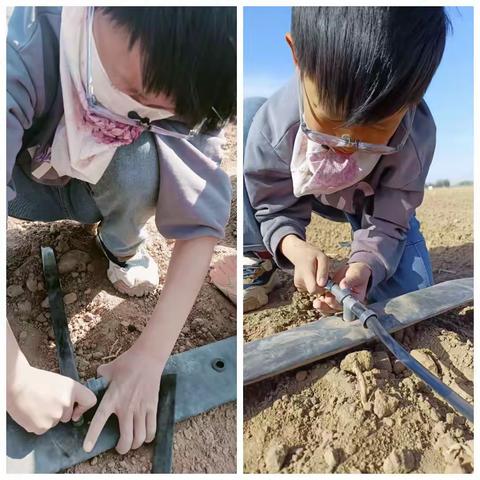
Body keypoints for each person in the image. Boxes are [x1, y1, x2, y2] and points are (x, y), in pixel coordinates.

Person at [6, 6, 236, 454]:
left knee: (146, 160)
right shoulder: (24, 40)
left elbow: (199, 223)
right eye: (132, 91)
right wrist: (13, 379)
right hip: (25, 186)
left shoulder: (198, 81)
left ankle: (121, 248)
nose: (142, 112)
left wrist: (151, 358)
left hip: (92, 188)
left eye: (163, 114)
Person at [243, 6, 449, 312]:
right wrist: (291, 244)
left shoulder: (415, 136)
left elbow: (390, 219)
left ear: (415, 95)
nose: (347, 146)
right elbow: (271, 204)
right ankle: (260, 257)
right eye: (331, 118)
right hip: (304, 191)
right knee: (249, 113)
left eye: (376, 127)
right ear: (297, 57)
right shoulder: (274, 125)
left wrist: (365, 266)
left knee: (410, 296)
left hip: (370, 203)